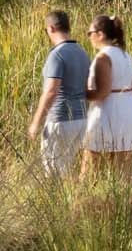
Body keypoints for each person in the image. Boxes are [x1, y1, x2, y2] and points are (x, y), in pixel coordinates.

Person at [26, 9, 89, 176]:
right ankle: (70, 201)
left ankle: (56, 202)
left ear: (51, 28)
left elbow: (51, 91)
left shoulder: (57, 55)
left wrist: (36, 123)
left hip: (60, 119)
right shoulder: (82, 53)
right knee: (66, 171)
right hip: (81, 120)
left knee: (53, 174)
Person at [81, 14, 132, 176]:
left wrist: (80, 94)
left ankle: (83, 198)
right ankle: (125, 199)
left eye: (90, 33)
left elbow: (102, 92)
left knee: (90, 165)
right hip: (130, 109)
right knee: (123, 168)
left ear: (100, 34)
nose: (89, 37)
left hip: (109, 112)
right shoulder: (125, 55)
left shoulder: (103, 57)